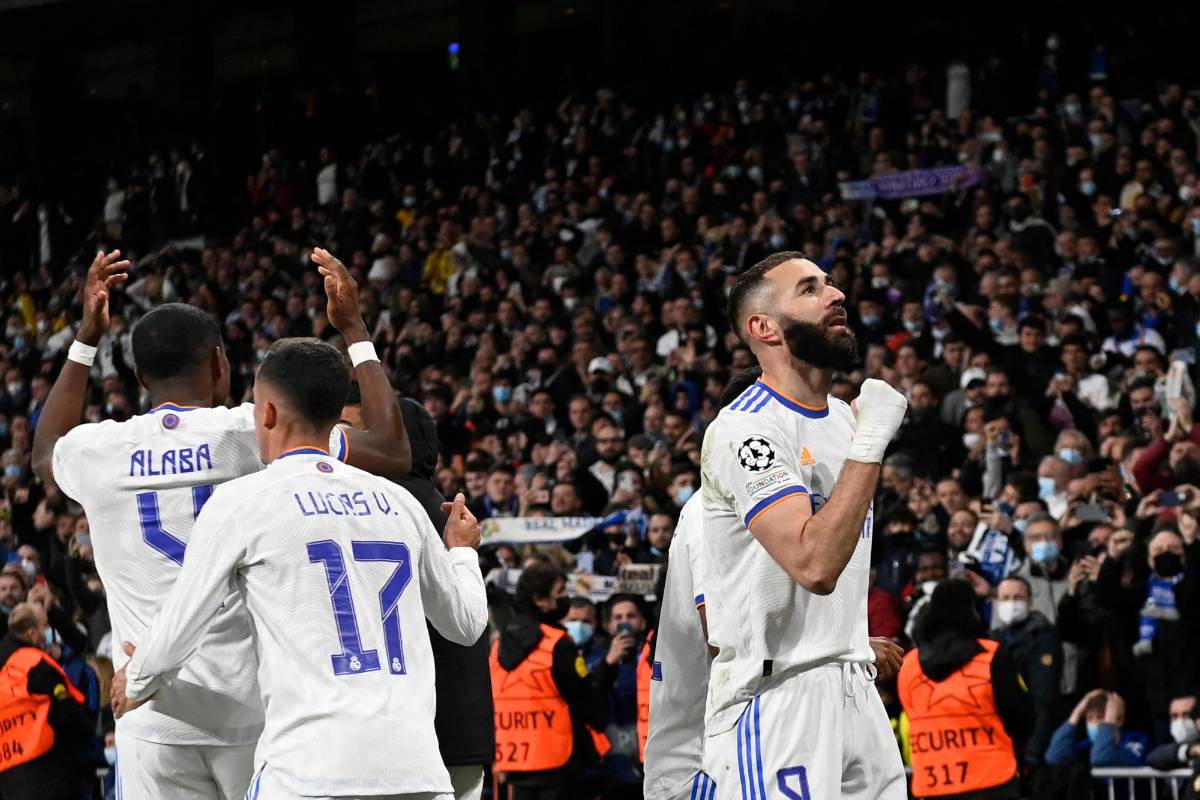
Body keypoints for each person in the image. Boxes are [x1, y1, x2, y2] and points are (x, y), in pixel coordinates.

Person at [31, 250, 411, 800]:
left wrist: (86, 338)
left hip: (147, 708)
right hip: (255, 709)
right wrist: (353, 327)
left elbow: (45, 453)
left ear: (138, 376)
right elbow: (393, 449)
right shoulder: (252, 433)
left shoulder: (99, 449)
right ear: (218, 363)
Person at [113, 337, 488, 799]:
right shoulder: (400, 503)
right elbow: (467, 625)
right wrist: (464, 551)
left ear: (266, 413)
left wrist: (135, 679)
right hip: (417, 773)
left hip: (309, 771)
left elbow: (179, 627)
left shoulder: (243, 501)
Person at [700, 253, 909, 798]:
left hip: (856, 691)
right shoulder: (746, 430)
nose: (836, 294)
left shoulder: (843, 419)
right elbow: (813, 565)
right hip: (777, 699)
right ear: (763, 328)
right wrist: (872, 442)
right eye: (810, 289)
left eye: (832, 283)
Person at [898, 580, 1033, 799]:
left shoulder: (909, 665)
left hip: (934, 784)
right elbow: (1023, 719)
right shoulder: (991, 656)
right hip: (991, 781)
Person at [491, 563, 608, 800]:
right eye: (560, 593)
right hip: (559, 763)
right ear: (540, 600)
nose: (565, 599)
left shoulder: (499, 646)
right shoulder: (558, 645)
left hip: (516, 763)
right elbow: (587, 701)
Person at [0, 602, 92, 800]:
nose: (47, 632)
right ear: (32, 633)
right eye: (44, 626)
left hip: (10, 779)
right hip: (51, 773)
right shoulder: (34, 663)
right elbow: (68, 713)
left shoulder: (4, 667)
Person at [991, 576, 1063, 766]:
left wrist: (1033, 752)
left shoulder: (1043, 637)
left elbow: (1044, 702)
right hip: (1003, 742)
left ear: (1030, 602)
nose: (1011, 603)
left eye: (1018, 597)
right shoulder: (994, 640)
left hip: (1032, 743)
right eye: (1005, 598)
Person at [1045, 689, 1148, 767]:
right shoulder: (1087, 745)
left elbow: (1101, 758)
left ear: (1119, 720)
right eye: (1090, 718)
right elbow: (1054, 757)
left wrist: (1110, 719)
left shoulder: (1136, 741)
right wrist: (1077, 712)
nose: (1095, 723)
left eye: (1101, 717)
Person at [1147, 694, 1200, 771]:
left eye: (1186, 715)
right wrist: (1191, 751)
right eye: (1174, 716)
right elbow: (1154, 758)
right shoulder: (1171, 746)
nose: (1180, 721)